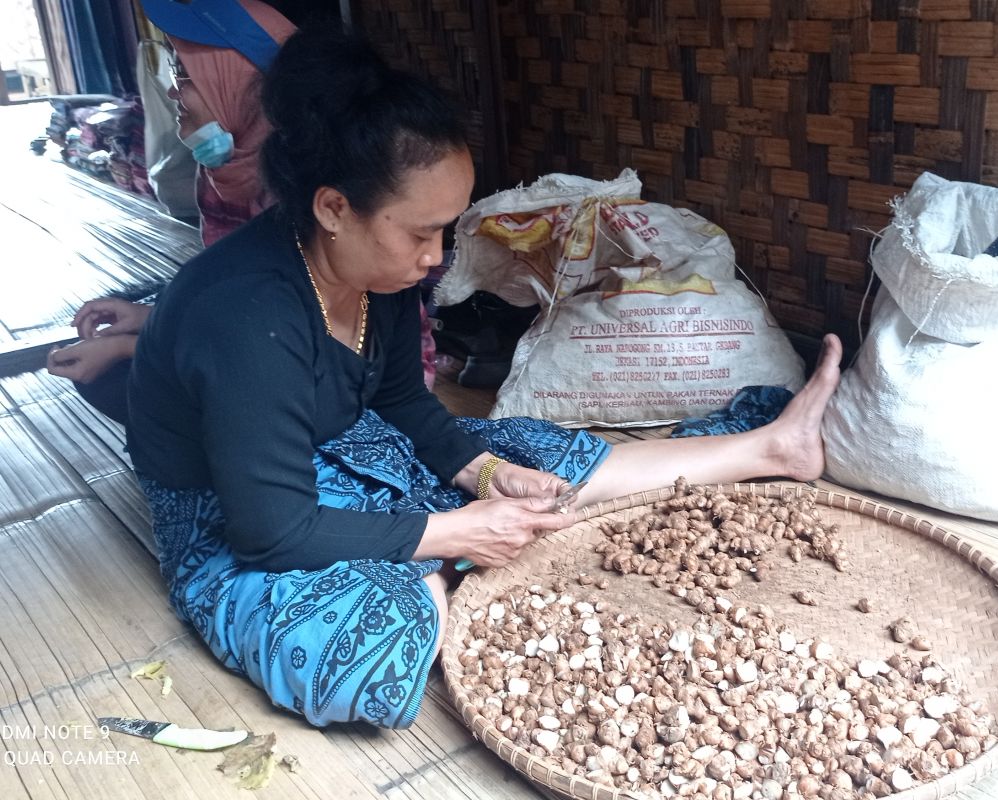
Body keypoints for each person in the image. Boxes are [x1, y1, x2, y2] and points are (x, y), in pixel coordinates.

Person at [126, 29, 844, 730]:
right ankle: (446, 574)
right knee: (357, 656)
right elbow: (270, 531)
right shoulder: (248, 316)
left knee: (531, 459)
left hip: (342, 448)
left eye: (445, 230)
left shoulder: (377, 270)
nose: (436, 257)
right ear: (334, 208)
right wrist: (451, 536)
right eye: (420, 233)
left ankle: (771, 450)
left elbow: (403, 398)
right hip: (231, 514)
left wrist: (482, 471)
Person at [44, 0, 297, 422]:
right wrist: (148, 317)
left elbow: (279, 333)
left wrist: (133, 344)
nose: (172, 90)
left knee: (123, 374)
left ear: (240, 82)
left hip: (309, 373)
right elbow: (228, 292)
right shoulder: (226, 167)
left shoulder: (302, 187)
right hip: (254, 341)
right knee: (126, 333)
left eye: (186, 75)